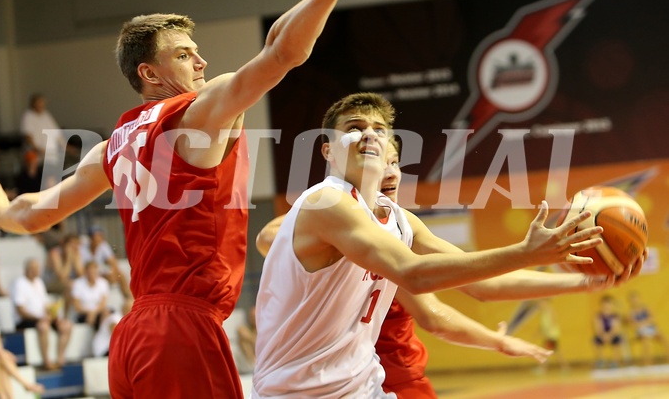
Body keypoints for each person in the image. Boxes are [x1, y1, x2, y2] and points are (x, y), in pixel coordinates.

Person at [0, 0, 394, 396]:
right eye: (185, 55)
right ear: (149, 73)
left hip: (133, 335)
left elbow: (35, 214)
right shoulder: (197, 114)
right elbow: (280, 51)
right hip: (181, 326)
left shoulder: (113, 145)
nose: (201, 63)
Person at [251, 92, 605, 397]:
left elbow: (485, 285)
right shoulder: (326, 201)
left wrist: (588, 281)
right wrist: (526, 253)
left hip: (364, 387)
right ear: (327, 150)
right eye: (354, 128)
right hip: (296, 392)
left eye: (379, 129)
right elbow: (414, 276)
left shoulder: (400, 220)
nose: (368, 135)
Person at [0, 300, 45, 398]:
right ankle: (23, 386)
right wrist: (5, 354)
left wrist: (5, 354)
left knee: (2, 364)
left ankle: (10, 395)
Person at [12, 258, 73, 370]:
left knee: (66, 325)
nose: (36, 271)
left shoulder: (39, 282)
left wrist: (54, 316)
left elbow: (45, 304)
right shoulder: (19, 283)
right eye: (34, 269)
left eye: (37, 269)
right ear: (27, 270)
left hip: (42, 316)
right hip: (26, 319)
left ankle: (60, 358)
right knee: (43, 326)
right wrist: (41, 317)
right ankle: (46, 361)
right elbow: (20, 310)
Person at [20, 93, 68, 179]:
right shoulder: (28, 116)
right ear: (33, 103)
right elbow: (28, 136)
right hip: (35, 153)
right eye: (39, 102)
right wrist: (37, 149)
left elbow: (57, 133)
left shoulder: (46, 115)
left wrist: (65, 146)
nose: (41, 105)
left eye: (42, 103)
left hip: (50, 154)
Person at [79, 226, 129, 298]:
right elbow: (81, 269)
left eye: (101, 235)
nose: (100, 238)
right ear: (91, 237)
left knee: (120, 275)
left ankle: (128, 298)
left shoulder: (103, 245)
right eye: (97, 235)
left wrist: (113, 272)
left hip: (98, 274)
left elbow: (113, 261)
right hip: (87, 275)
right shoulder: (82, 249)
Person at [43, 232, 84, 317]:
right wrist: (69, 259)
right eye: (72, 244)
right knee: (71, 286)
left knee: (77, 285)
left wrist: (75, 259)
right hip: (51, 284)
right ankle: (66, 316)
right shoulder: (54, 253)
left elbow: (81, 274)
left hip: (65, 283)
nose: (74, 247)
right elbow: (61, 276)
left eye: (76, 244)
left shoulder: (76, 253)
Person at [627, 290, 669, 365]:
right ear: (630, 301)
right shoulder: (630, 312)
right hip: (640, 332)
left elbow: (653, 319)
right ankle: (648, 363)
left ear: (639, 299)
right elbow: (633, 325)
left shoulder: (646, 308)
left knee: (665, 339)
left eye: (636, 299)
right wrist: (644, 323)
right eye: (632, 300)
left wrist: (642, 323)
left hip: (651, 329)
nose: (635, 301)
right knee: (647, 343)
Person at [71, 260, 111, 331]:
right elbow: (77, 306)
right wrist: (90, 312)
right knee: (98, 316)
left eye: (94, 272)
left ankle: (101, 336)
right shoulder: (78, 283)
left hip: (98, 313)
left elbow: (103, 304)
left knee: (106, 313)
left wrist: (93, 313)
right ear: (86, 272)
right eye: (90, 272)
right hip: (84, 313)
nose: (92, 274)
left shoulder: (103, 283)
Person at [593, 295, 624, 369]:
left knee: (617, 339)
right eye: (605, 305)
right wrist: (603, 335)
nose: (607, 306)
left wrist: (610, 335)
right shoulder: (598, 316)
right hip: (602, 335)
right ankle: (601, 360)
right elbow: (597, 328)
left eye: (608, 304)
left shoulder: (615, 316)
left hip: (612, 335)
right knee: (596, 340)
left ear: (611, 305)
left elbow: (616, 329)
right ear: (601, 305)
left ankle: (615, 361)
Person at [236, 305, 257, 374]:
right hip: (248, 358)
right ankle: (252, 363)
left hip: (259, 355)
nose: (253, 319)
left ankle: (254, 364)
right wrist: (253, 340)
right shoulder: (244, 328)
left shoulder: (264, 329)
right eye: (252, 316)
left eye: (255, 316)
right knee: (243, 341)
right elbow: (240, 331)